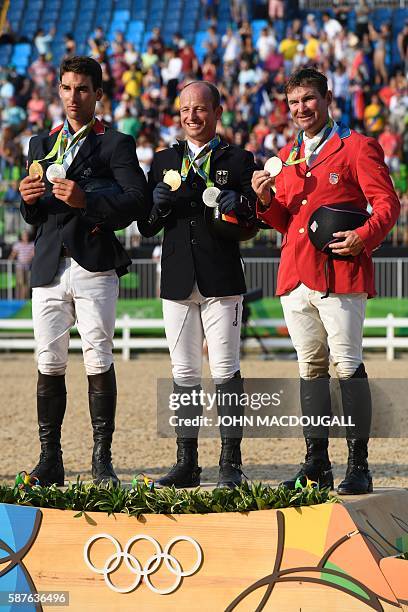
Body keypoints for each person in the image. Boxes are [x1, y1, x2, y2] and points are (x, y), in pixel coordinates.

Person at [251, 67, 400, 495]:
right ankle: (316, 463)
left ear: (327, 97)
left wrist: (364, 236)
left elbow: (387, 204)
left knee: (347, 366)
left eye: (309, 99)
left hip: (341, 271)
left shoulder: (356, 147)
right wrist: (264, 202)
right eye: (294, 102)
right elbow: (284, 219)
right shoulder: (286, 154)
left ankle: (359, 465)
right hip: (295, 274)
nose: (301, 108)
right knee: (310, 370)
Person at [18, 56, 149, 487]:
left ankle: (101, 460)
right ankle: (50, 459)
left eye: (83, 89)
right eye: (68, 88)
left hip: (94, 262)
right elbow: (33, 217)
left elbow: (136, 202)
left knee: (98, 358)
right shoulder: (41, 144)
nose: (74, 97)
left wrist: (86, 202)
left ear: (97, 94)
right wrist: (27, 199)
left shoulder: (116, 143)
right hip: (50, 263)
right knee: (48, 362)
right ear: (58, 90)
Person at [138, 81, 257, 489]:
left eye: (200, 109)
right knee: (184, 372)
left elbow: (253, 223)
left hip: (221, 276)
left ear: (217, 111)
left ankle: (230, 465)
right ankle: (186, 462)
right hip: (176, 277)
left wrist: (239, 206)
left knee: (224, 369)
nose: (191, 116)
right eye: (185, 109)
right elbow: (147, 227)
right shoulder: (163, 160)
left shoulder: (238, 160)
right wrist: (155, 204)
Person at [8, 230, 34, 299]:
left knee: (27, 284)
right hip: (20, 267)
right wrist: (9, 263)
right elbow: (13, 255)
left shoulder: (32, 244)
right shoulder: (18, 244)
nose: (26, 237)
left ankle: (24, 299)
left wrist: (28, 259)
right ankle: (19, 299)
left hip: (28, 267)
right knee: (20, 284)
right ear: (21, 236)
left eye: (27, 235)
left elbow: (33, 254)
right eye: (24, 235)